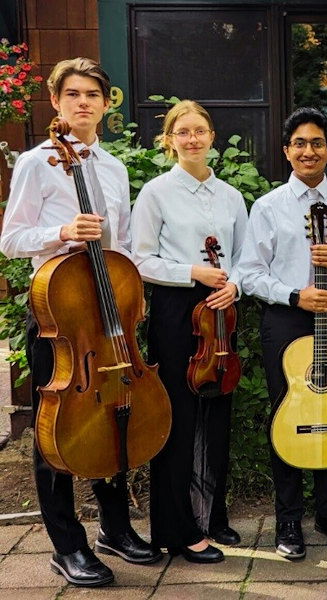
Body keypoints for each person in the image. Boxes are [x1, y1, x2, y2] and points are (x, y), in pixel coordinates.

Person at [0, 57, 162, 586]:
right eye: (73, 94)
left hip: (106, 316)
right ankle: (65, 544)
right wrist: (63, 230)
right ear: (57, 101)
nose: (83, 103)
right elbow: (10, 239)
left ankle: (114, 529)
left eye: (92, 94)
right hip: (58, 315)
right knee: (58, 426)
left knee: (112, 411)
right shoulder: (35, 162)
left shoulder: (112, 169)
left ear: (105, 104)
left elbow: (120, 248)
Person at [239, 107, 327, 559]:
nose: (308, 151)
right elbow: (250, 273)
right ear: (286, 150)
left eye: (316, 144)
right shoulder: (268, 207)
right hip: (288, 317)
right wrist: (294, 295)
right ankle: (288, 517)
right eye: (299, 144)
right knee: (287, 414)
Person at [130, 100, 248, 563]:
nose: (192, 138)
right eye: (183, 132)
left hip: (222, 309)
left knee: (217, 411)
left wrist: (234, 283)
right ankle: (177, 529)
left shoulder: (231, 196)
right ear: (170, 140)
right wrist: (192, 272)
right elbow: (139, 259)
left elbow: (243, 255)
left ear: (212, 137)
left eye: (199, 130)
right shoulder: (156, 193)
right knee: (177, 417)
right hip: (178, 311)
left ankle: (212, 516)